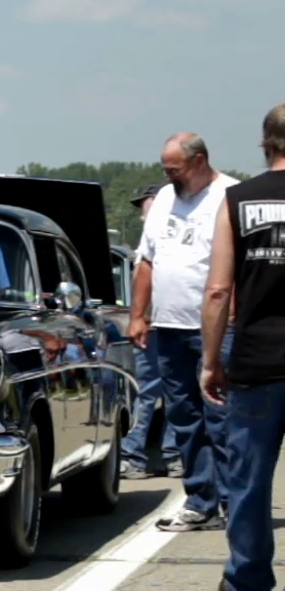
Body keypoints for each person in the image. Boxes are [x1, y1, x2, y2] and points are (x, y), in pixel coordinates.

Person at [129, 132, 240, 531]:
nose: (168, 175)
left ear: (199, 161)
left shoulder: (229, 195)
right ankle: (199, 500)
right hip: (170, 327)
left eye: (174, 169)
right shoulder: (163, 200)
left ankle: (232, 501)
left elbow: (242, 265)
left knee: (221, 417)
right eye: (165, 169)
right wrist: (138, 315)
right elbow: (147, 261)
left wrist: (233, 315)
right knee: (184, 417)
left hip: (216, 328)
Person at [201, 105, 285, 591]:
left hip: (257, 361)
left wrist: (211, 361)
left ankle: (248, 589)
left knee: (248, 483)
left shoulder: (237, 200)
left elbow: (217, 289)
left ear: (265, 144)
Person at [121, 184, 181, 479]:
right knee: (149, 391)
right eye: (143, 210)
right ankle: (139, 454)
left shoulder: (167, 243)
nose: (143, 216)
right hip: (153, 324)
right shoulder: (148, 246)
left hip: (165, 324)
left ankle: (165, 454)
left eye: (148, 208)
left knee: (168, 392)